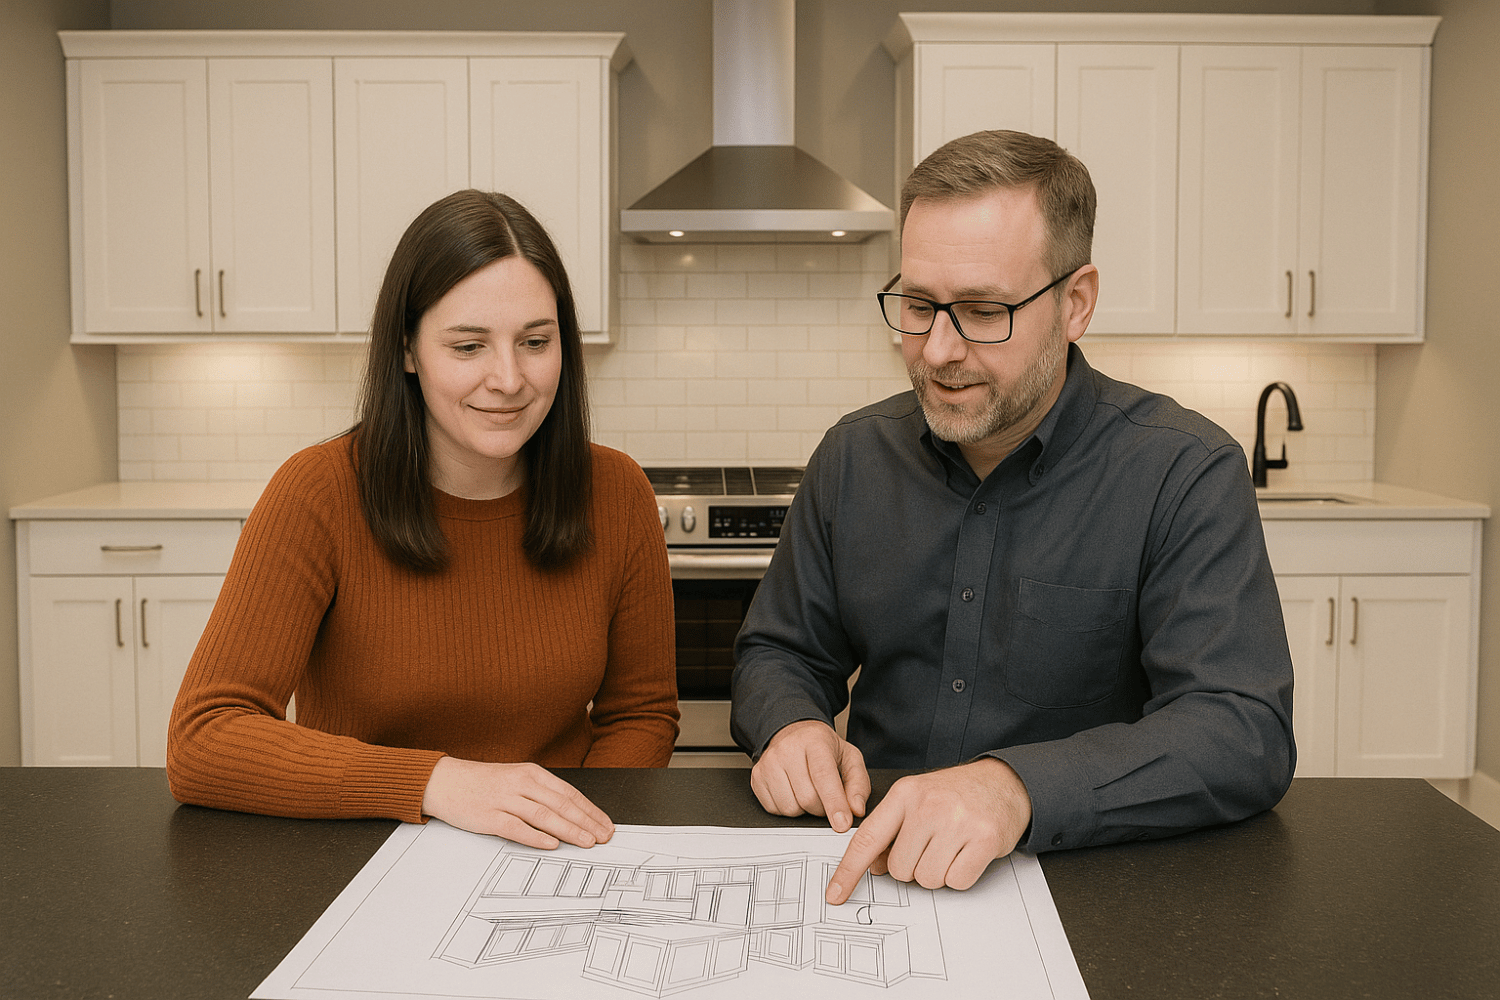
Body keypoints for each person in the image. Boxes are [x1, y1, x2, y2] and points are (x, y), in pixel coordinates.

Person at [731, 130, 1295, 904]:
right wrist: (790, 724)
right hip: (871, 874)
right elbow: (779, 651)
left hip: (1092, 887)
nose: (936, 350)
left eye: (982, 311)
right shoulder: (854, 457)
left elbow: (1241, 730)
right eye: (919, 305)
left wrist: (1015, 789)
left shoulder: (1182, 472)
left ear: (1076, 304)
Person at [168, 190, 678, 851]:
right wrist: (436, 781)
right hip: (361, 854)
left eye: (535, 341)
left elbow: (640, 716)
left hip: (553, 858)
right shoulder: (317, 493)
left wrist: (573, 829)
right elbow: (206, 739)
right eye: (468, 346)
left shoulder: (617, 491)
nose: (509, 378)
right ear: (408, 350)